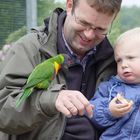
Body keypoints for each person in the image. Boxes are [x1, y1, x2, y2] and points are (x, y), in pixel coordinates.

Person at [0, 0, 122, 140]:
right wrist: (51, 99)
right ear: (69, 5)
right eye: (83, 23)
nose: (89, 35)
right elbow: (3, 112)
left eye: (100, 29)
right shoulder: (29, 49)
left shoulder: (117, 60)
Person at [90, 27, 140, 140]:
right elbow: (91, 110)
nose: (123, 65)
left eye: (130, 58)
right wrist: (109, 111)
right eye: (119, 60)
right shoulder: (111, 87)